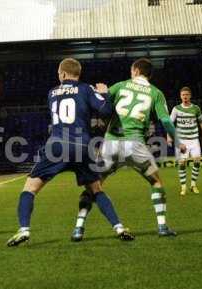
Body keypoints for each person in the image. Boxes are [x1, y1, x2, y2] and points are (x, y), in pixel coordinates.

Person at [7, 58, 133, 247]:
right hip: (83, 146)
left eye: (59, 73)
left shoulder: (51, 93)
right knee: (96, 190)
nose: (58, 76)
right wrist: (105, 94)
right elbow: (106, 111)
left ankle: (24, 229)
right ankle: (119, 227)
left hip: (57, 145)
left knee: (29, 189)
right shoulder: (85, 89)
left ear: (64, 74)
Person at [71, 58, 186, 241]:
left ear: (134, 71)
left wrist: (103, 92)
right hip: (135, 146)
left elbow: (101, 104)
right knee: (156, 182)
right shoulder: (156, 93)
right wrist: (178, 141)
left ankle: (79, 227)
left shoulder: (120, 86)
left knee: (94, 186)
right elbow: (165, 120)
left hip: (111, 144)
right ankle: (162, 226)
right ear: (149, 75)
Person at [167, 87, 202, 195]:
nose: (185, 97)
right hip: (182, 141)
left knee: (197, 161)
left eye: (186, 95)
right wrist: (169, 136)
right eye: (183, 95)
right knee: (182, 163)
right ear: (180, 96)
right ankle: (183, 187)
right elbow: (170, 124)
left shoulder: (196, 108)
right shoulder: (176, 109)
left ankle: (193, 185)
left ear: (190, 96)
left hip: (194, 140)